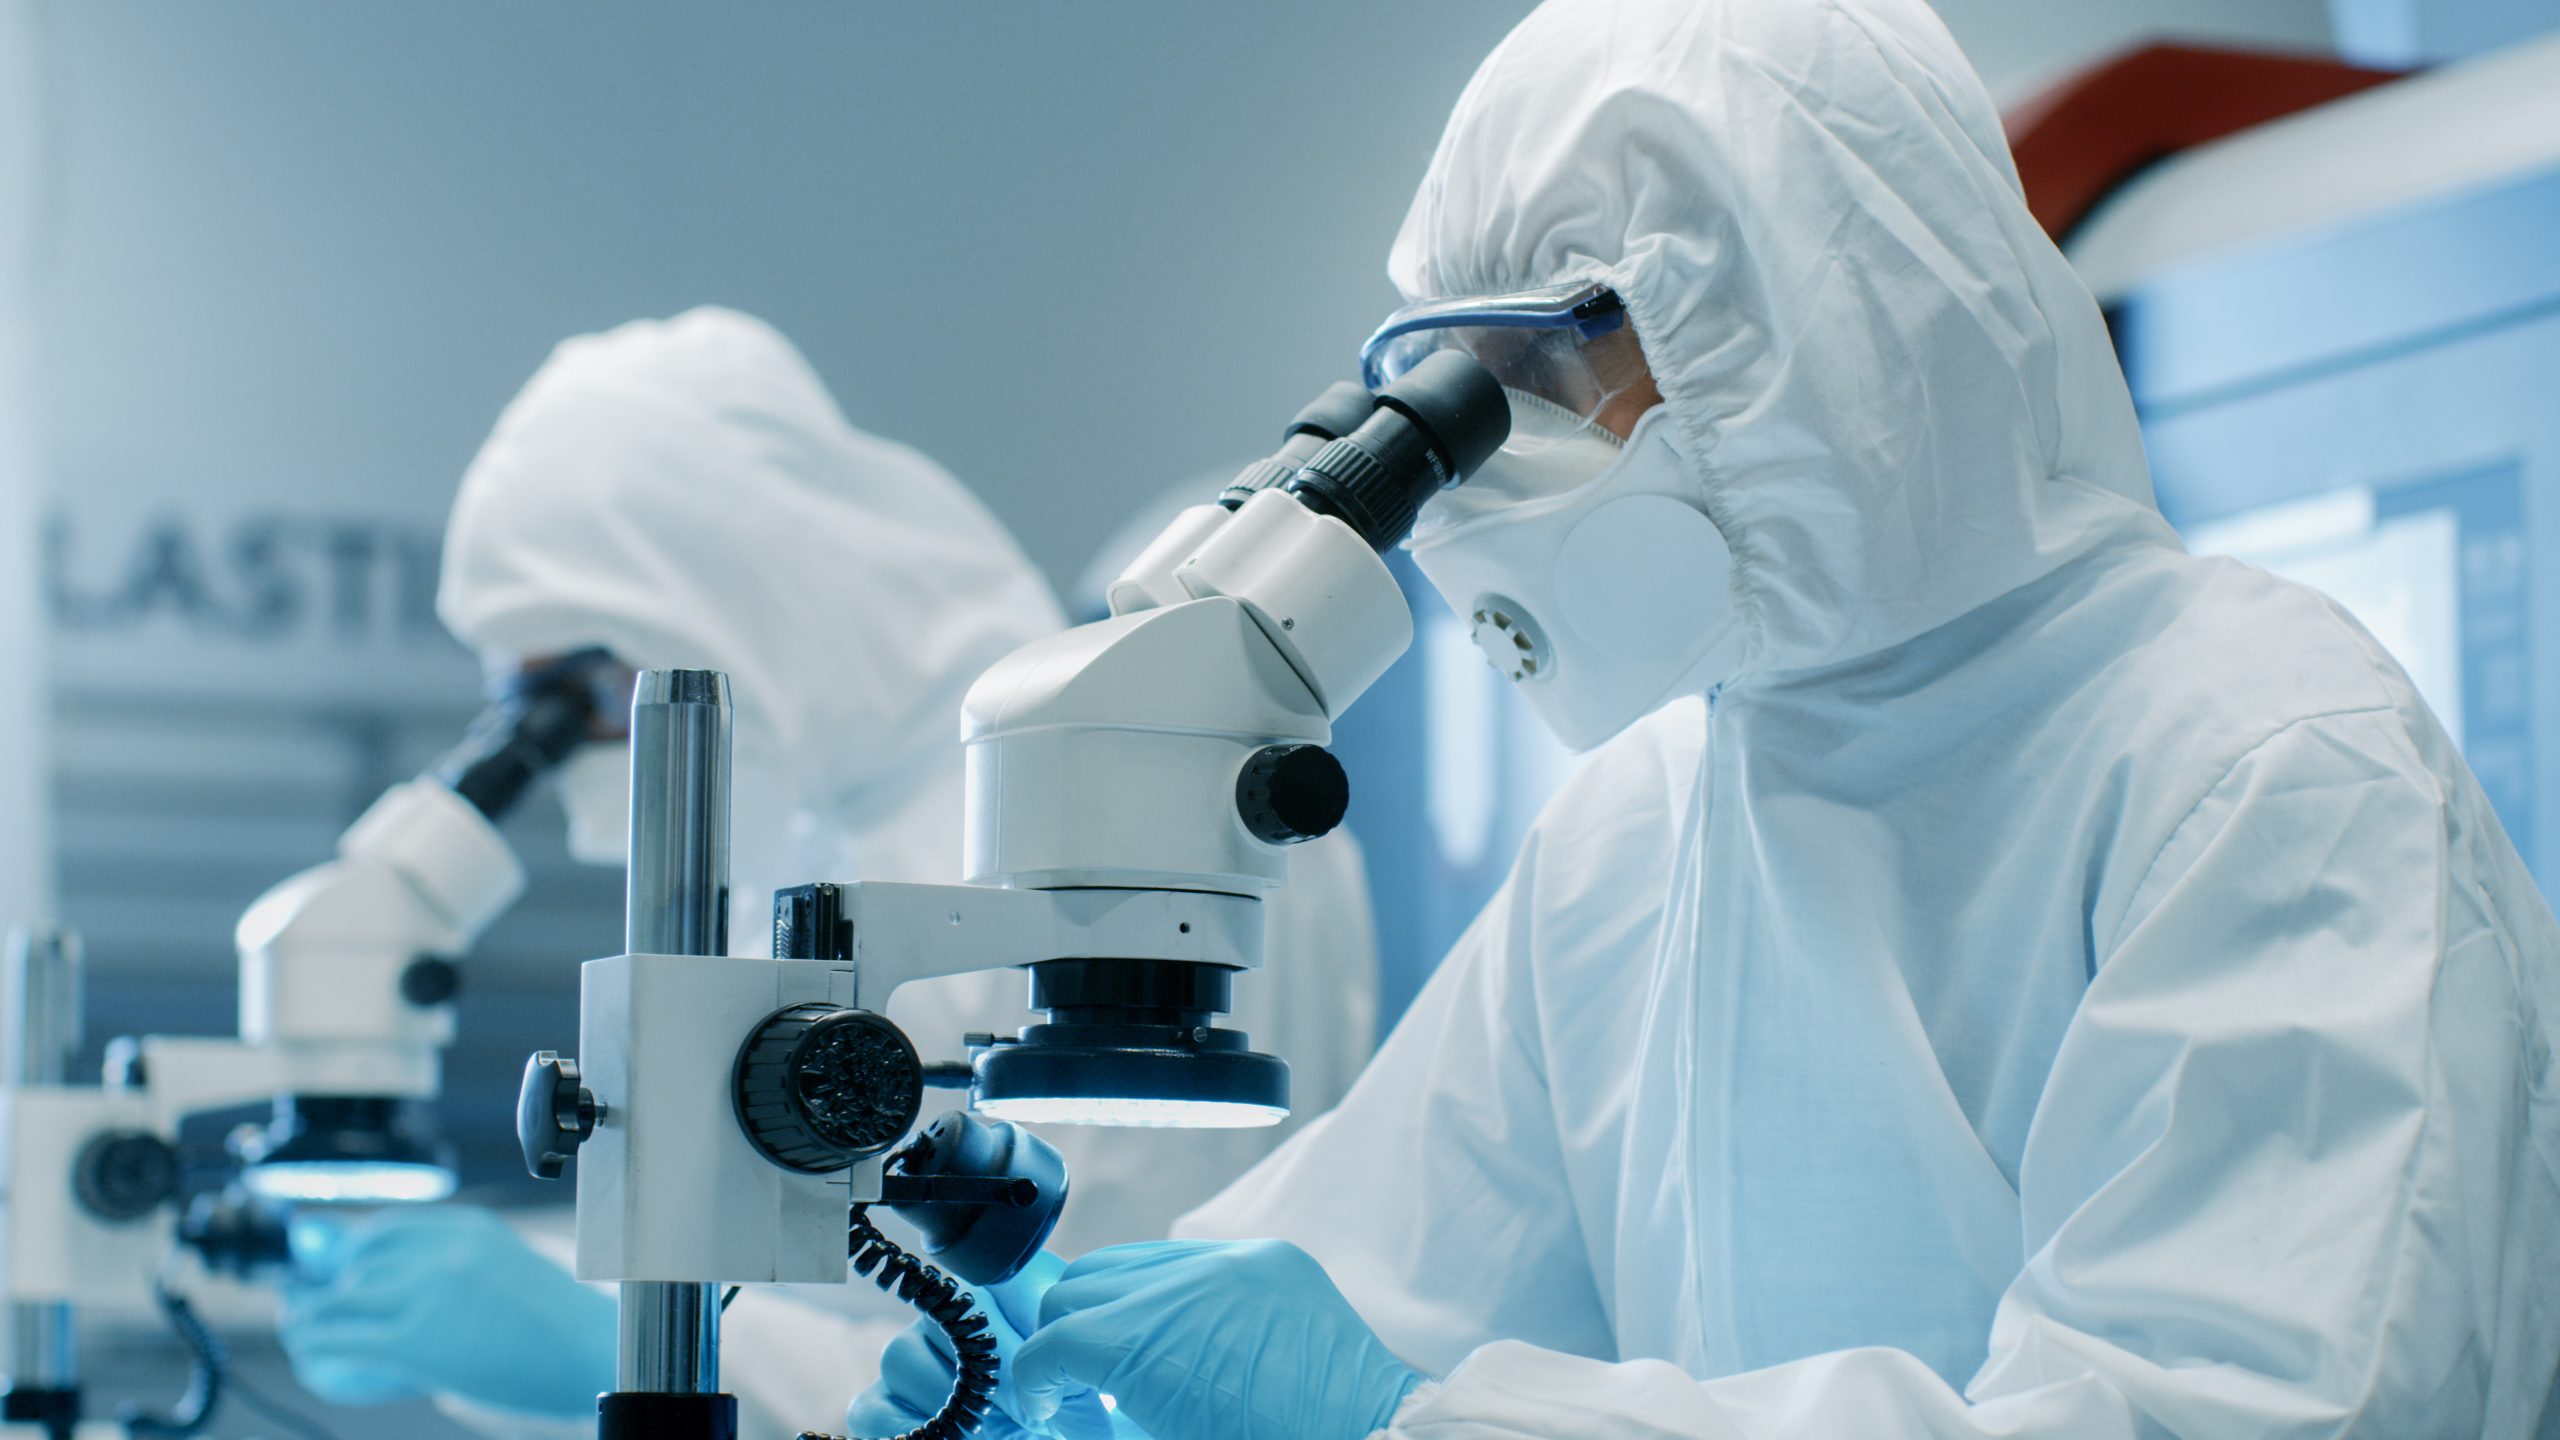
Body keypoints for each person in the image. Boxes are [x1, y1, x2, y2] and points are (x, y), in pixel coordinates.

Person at [851, 1, 2560, 1436]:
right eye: (1465, 403)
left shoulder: (2265, 764)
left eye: (1550, 381)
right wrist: (1051, 1361)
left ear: (1821, 321)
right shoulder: (1650, 815)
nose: (1501, 483)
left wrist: (1397, 1419)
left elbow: (2208, 1412)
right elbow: (1354, 1285)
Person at [276, 306, 1380, 1437]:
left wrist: (582, 1335)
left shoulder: (1117, 796)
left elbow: (1086, 1355)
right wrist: (539, 1274)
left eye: (592, 689)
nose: (590, 753)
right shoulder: (829, 849)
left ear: (743, 598)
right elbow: (822, 1272)